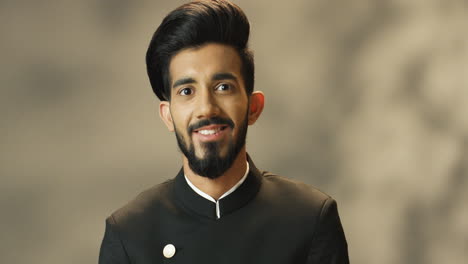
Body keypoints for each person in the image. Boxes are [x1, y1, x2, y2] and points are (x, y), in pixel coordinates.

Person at [98, 0, 349, 263]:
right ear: (168, 115)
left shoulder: (310, 219)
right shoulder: (129, 233)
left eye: (223, 87)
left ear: (254, 107)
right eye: (187, 91)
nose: (206, 108)